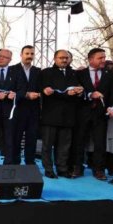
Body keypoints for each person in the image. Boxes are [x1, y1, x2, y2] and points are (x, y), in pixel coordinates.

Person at [71, 48, 113, 181]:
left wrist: (111, 107)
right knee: (79, 141)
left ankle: (99, 170)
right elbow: (76, 92)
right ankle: (77, 167)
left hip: (101, 114)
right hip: (82, 113)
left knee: (100, 142)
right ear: (91, 59)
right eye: (100, 58)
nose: (103, 60)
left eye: (104, 57)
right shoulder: (79, 74)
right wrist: (90, 94)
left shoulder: (109, 74)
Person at [40, 50, 83, 178]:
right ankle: (48, 169)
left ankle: (62, 169)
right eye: (61, 57)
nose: (64, 60)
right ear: (55, 58)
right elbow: (44, 90)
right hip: (50, 115)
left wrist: (79, 92)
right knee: (47, 145)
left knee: (64, 146)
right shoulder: (46, 72)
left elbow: (81, 90)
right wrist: (65, 94)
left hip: (68, 115)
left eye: (66, 58)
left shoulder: (75, 73)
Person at [10, 45, 41, 165]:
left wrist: (39, 93)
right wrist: (25, 95)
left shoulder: (38, 71)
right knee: (16, 138)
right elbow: (10, 89)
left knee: (32, 139)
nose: (29, 56)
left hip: (33, 111)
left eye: (32, 54)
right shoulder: (12, 70)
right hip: (17, 109)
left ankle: (30, 163)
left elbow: (41, 88)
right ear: (21, 55)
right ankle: (15, 163)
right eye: (27, 53)